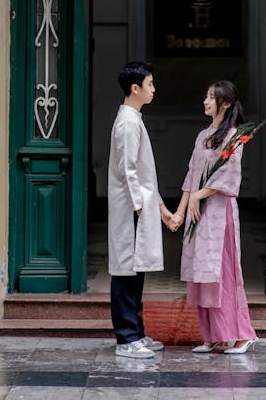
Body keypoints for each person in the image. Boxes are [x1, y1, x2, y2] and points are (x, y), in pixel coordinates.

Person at [171, 80, 258, 354]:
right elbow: (191, 176)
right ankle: (211, 336)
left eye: (212, 97)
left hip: (220, 214)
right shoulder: (202, 136)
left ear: (227, 103)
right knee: (202, 274)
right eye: (206, 96)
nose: (206, 101)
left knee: (223, 274)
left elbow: (230, 178)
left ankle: (242, 335)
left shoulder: (234, 136)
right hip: (199, 215)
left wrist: (200, 195)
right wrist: (181, 210)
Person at [108, 60, 174, 359]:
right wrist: (138, 206)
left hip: (140, 206)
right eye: (149, 85)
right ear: (135, 88)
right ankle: (126, 338)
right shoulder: (128, 122)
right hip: (132, 208)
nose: (153, 90)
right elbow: (128, 170)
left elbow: (143, 172)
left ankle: (137, 332)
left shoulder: (134, 118)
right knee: (126, 273)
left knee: (136, 273)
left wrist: (156, 206)